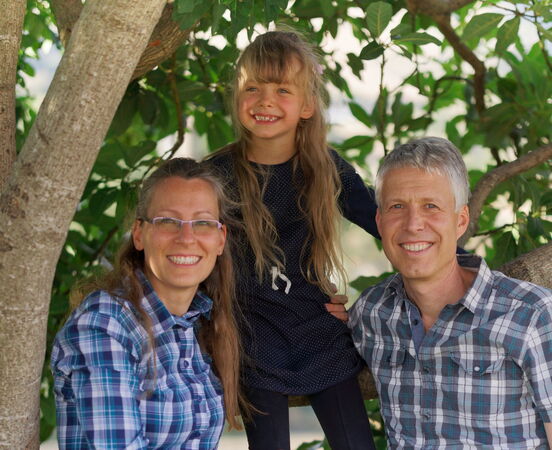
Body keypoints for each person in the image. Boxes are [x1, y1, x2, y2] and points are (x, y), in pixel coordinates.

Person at [205, 29, 378, 449]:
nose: (265, 100)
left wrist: (458, 262)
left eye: (282, 89)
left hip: (318, 328)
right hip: (251, 334)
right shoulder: (214, 176)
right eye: (253, 88)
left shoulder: (326, 167)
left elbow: (390, 227)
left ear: (307, 105)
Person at [349, 136, 552, 448]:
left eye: (431, 206)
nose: (413, 224)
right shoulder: (372, 313)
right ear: (379, 220)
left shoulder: (533, 315)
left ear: (461, 221)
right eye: (397, 206)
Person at [51, 158, 247, 449]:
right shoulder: (104, 323)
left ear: (220, 239)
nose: (187, 238)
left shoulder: (196, 323)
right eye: (168, 221)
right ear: (139, 234)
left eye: (203, 223)